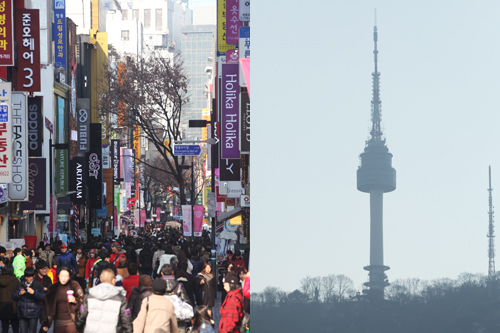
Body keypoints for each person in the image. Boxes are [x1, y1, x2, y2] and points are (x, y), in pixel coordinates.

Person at [75, 269, 132, 333]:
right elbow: (126, 319)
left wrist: (78, 328)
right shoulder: (121, 299)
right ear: (113, 280)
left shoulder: (89, 295)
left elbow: (82, 314)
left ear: (101, 279)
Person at [42, 267, 84, 333]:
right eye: (61, 276)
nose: (63, 278)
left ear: (70, 277)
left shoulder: (74, 285)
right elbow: (47, 307)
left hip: (72, 321)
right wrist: (46, 323)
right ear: (58, 276)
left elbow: (83, 301)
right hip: (58, 323)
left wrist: (75, 300)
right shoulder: (52, 288)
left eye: (66, 276)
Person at [11, 267, 45, 333]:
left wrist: (34, 293)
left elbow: (43, 297)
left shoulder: (38, 285)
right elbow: (13, 296)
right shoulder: (20, 284)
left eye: (30, 277)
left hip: (33, 314)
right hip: (22, 314)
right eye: (26, 277)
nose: (28, 279)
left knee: (32, 331)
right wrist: (19, 294)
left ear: (34, 276)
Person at [0, 265, 19, 333]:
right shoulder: (15, 280)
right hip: (13, 306)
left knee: (4, 328)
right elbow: (18, 293)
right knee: (15, 328)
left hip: (2, 307)